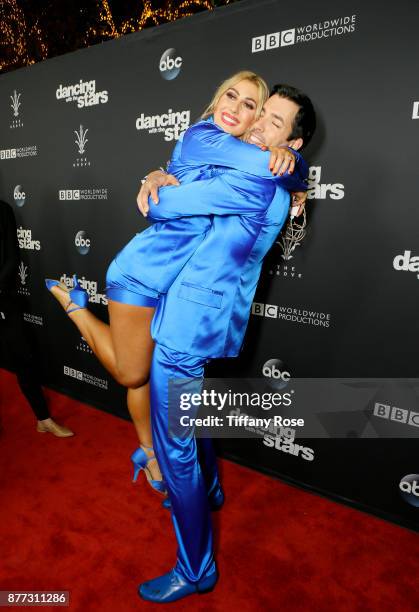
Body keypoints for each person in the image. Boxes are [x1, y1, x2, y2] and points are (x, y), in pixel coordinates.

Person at [45, 72, 306, 489]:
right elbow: (165, 203)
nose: (237, 111)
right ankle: (74, 304)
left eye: (249, 107)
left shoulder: (235, 150)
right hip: (143, 272)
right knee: (133, 375)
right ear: (216, 98)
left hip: (173, 281)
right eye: (230, 97)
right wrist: (296, 167)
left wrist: (158, 171)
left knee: (147, 372)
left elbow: (232, 170)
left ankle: (148, 451)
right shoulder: (207, 135)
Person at [136, 83, 316, 603]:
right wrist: (158, 170)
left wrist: (156, 184)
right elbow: (182, 181)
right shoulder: (256, 173)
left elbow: (161, 207)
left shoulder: (257, 184)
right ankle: (210, 491)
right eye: (262, 115)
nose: (258, 126)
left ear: (294, 145)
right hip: (205, 317)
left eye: (276, 125)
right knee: (191, 421)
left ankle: (196, 571)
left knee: (175, 451)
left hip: (189, 324)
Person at [0, 199, 73, 437]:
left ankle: (44, 419)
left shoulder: (3, 209)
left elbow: (13, 256)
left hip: (3, 297)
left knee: (24, 356)